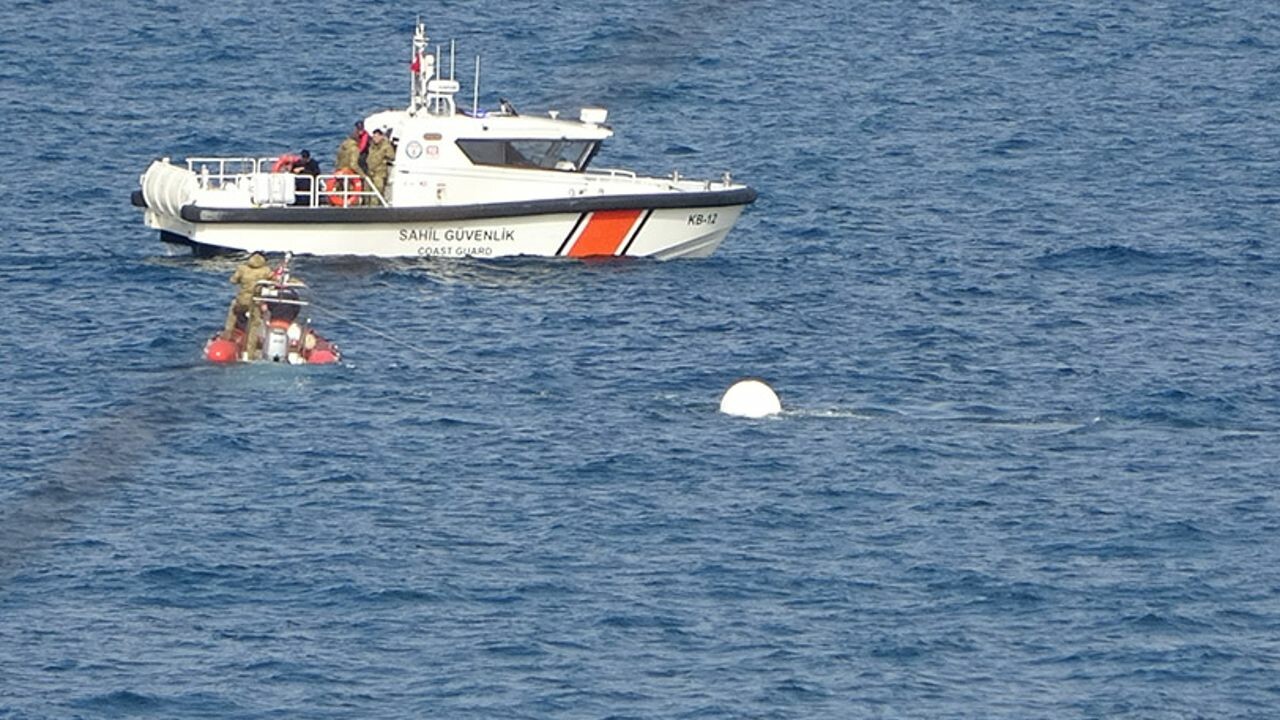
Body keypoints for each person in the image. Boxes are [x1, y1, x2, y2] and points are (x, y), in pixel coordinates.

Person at [221, 252, 275, 357]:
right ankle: (250, 353)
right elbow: (274, 282)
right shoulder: (266, 271)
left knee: (232, 315)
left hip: (242, 301)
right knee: (254, 326)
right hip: (255, 302)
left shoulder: (242, 268)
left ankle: (226, 339)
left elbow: (233, 280)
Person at [365, 129, 395, 206]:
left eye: (377, 136)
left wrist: (385, 158)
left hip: (379, 173)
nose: (375, 138)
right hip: (370, 171)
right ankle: (367, 206)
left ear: (381, 136)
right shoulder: (372, 146)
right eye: (374, 136)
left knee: (378, 190)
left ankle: (375, 207)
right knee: (367, 191)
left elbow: (391, 156)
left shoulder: (386, 146)